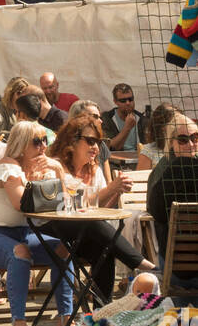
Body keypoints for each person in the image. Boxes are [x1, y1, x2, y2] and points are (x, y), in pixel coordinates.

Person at [0, 120, 74, 326]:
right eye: (36, 141)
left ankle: (65, 318)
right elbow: (21, 203)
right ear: (22, 144)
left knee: (62, 249)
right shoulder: (8, 168)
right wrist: (39, 185)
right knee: (20, 253)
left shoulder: (38, 169)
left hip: (20, 234)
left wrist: (58, 171)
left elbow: (63, 203)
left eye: (45, 140)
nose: (43, 146)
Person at [49, 116, 157, 301]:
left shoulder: (94, 168)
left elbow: (99, 209)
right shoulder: (55, 166)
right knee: (90, 224)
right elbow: (65, 207)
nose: (96, 148)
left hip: (83, 234)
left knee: (104, 251)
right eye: (90, 141)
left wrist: (117, 192)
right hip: (55, 229)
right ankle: (139, 262)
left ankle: (102, 312)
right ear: (72, 140)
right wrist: (110, 188)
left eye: (99, 142)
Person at [147, 111, 198, 261]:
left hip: (175, 267)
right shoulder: (164, 173)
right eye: (183, 140)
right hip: (177, 263)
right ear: (171, 142)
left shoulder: (163, 168)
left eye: (195, 138)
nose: (190, 144)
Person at [68, 100, 113, 178]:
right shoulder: (66, 147)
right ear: (79, 118)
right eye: (95, 116)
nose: (101, 121)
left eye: (96, 141)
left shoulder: (101, 145)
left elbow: (108, 182)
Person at [137, 101, 176, 170]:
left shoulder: (188, 146)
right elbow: (140, 179)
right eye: (173, 124)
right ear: (161, 128)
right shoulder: (149, 151)